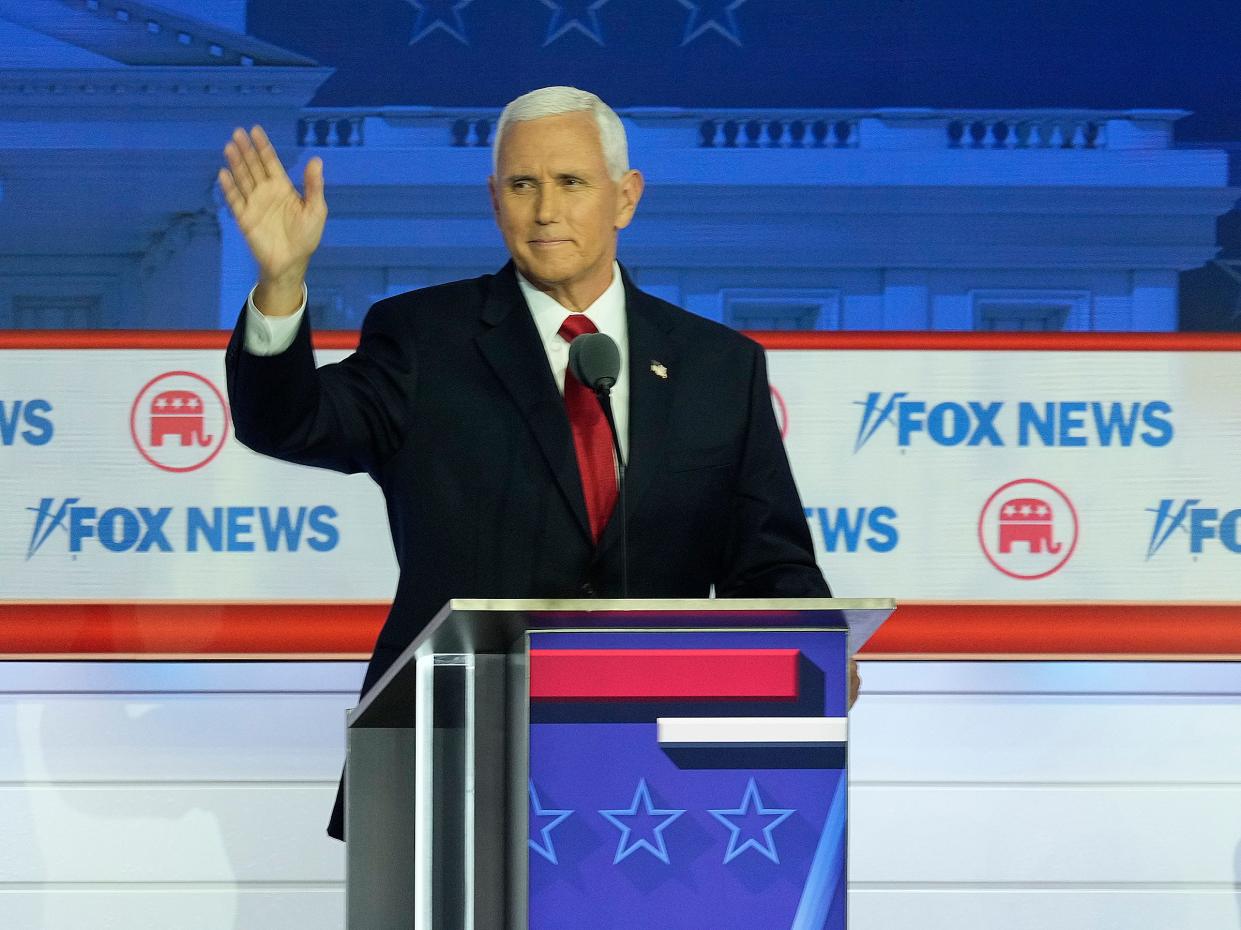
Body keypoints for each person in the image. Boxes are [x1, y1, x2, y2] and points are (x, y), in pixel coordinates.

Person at [218, 86, 843, 841]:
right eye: (522, 185)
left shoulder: (717, 366)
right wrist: (282, 284)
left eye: (571, 183)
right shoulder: (424, 340)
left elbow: (770, 562)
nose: (545, 210)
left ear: (625, 197)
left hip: (655, 775)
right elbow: (286, 422)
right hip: (453, 757)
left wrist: (817, 643)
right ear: (494, 199)